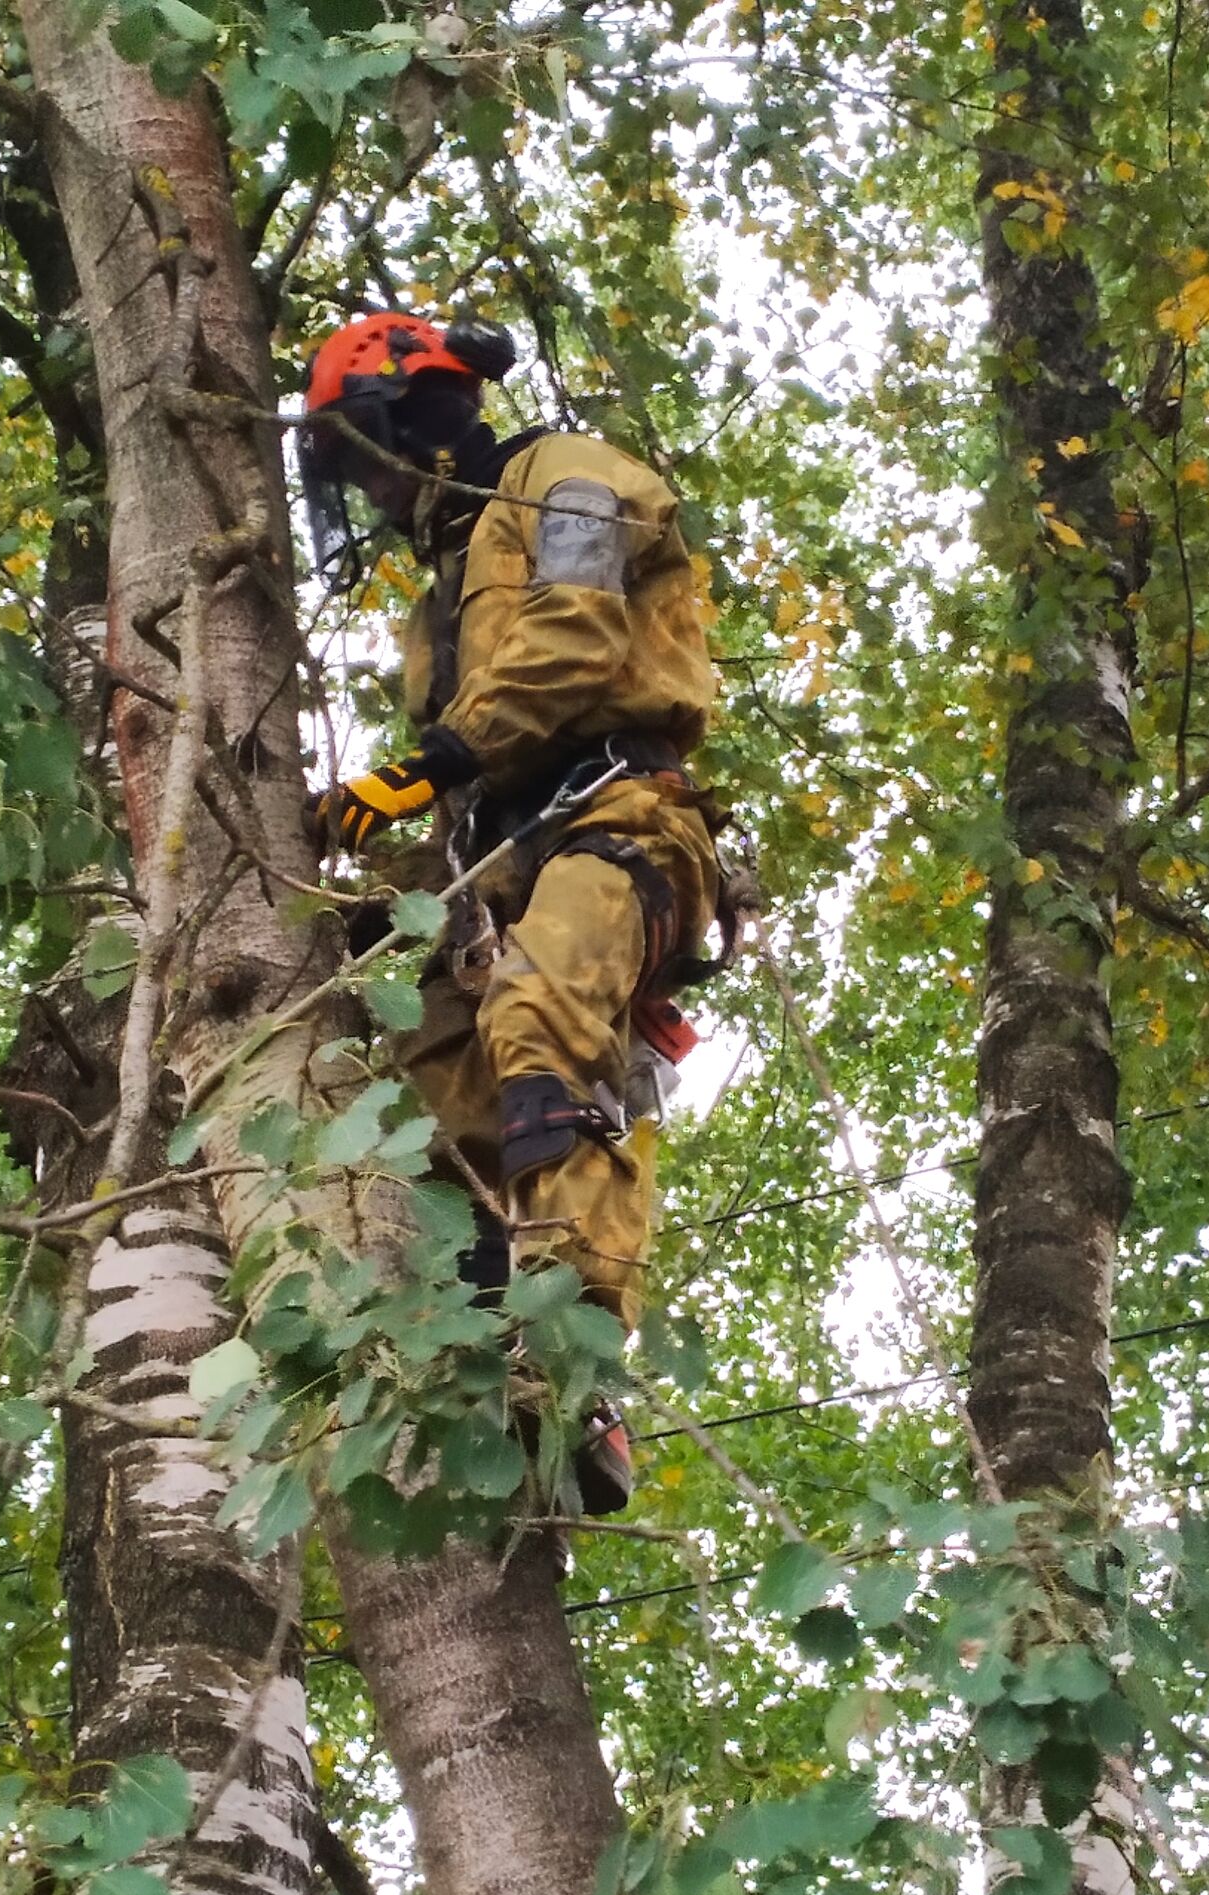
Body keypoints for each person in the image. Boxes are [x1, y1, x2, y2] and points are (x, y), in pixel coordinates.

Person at [299, 311, 724, 1512]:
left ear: (416, 412)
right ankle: (474, 1337)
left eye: (367, 458)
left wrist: (422, 767)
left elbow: (576, 637)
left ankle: (577, 1361)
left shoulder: (565, 478)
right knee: (424, 1071)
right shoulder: (432, 610)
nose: (373, 494)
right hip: (497, 866)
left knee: (537, 1021)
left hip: (621, 821)